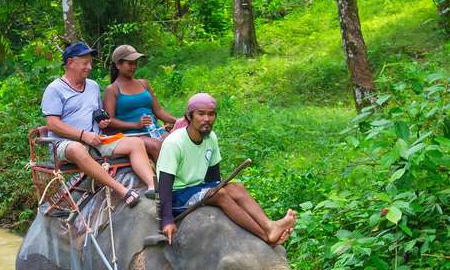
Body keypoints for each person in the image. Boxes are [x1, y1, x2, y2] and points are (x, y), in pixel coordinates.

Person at [156, 92, 296, 246]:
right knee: (220, 194)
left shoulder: (211, 138)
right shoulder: (175, 143)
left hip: (198, 188)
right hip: (177, 195)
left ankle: (270, 226)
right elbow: (164, 184)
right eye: (201, 114)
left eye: (211, 114)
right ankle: (265, 237)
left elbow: (213, 178)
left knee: (236, 187)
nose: (206, 119)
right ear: (189, 116)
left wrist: (223, 190)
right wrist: (167, 220)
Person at [40, 42, 157, 207]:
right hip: (66, 143)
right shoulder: (55, 89)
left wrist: (102, 120)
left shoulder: (93, 86)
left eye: (90, 63)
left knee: (136, 143)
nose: (89, 67)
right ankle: (123, 191)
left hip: (96, 138)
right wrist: (82, 135)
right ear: (70, 63)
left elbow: (97, 113)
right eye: (85, 63)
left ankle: (152, 186)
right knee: (77, 148)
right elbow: (52, 124)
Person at [102, 44, 177, 161]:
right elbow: (109, 120)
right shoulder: (112, 89)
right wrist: (136, 125)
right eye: (129, 63)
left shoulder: (143, 84)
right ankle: (164, 178)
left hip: (154, 130)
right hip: (132, 134)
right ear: (118, 65)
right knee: (156, 146)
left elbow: (159, 111)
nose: (133, 67)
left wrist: (179, 121)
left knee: (174, 142)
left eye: (135, 63)